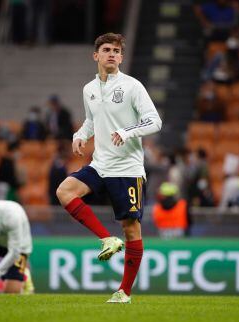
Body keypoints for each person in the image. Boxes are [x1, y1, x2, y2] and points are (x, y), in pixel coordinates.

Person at [56, 33, 162, 303]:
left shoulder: (132, 86)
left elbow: (154, 121)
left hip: (127, 168)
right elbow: (91, 121)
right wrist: (79, 135)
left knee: (131, 229)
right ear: (96, 55)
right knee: (65, 191)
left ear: (122, 57)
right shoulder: (88, 89)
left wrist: (127, 132)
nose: (112, 54)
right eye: (106, 49)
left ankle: (124, 292)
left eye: (116, 50)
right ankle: (107, 239)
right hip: (100, 164)